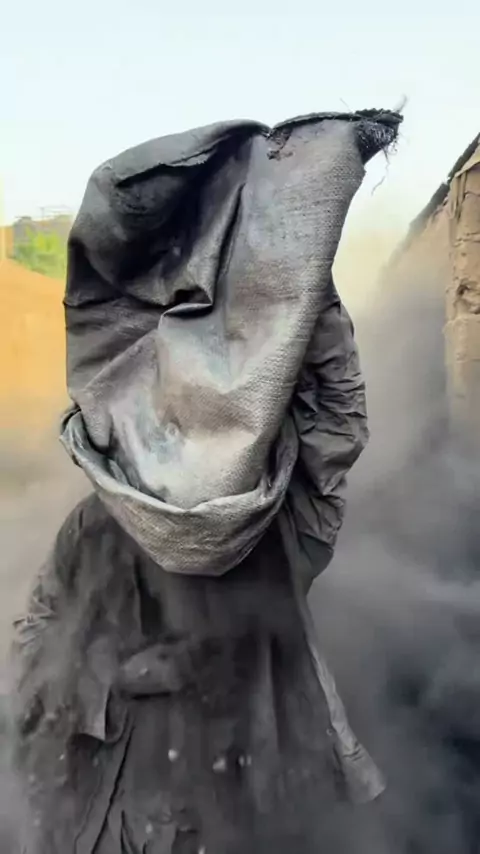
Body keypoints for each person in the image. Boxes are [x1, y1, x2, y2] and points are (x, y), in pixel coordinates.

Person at [11, 110, 401, 853]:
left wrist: (293, 274)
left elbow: (336, 418)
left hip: (233, 823)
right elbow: (32, 644)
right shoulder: (91, 531)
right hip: (96, 820)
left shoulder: (279, 530)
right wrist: (116, 677)